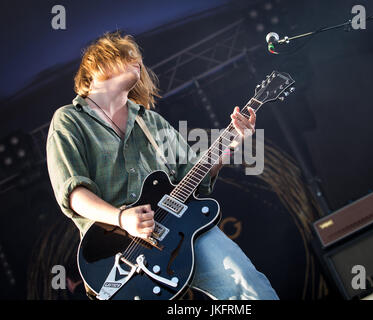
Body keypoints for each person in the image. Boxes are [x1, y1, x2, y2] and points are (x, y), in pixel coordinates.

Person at [46, 31, 279, 300]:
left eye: (139, 59)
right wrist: (122, 218)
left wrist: (232, 144)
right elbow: (73, 194)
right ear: (98, 65)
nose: (138, 62)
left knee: (248, 285)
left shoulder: (152, 122)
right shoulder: (69, 120)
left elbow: (195, 177)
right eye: (128, 56)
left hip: (181, 231)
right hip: (116, 252)